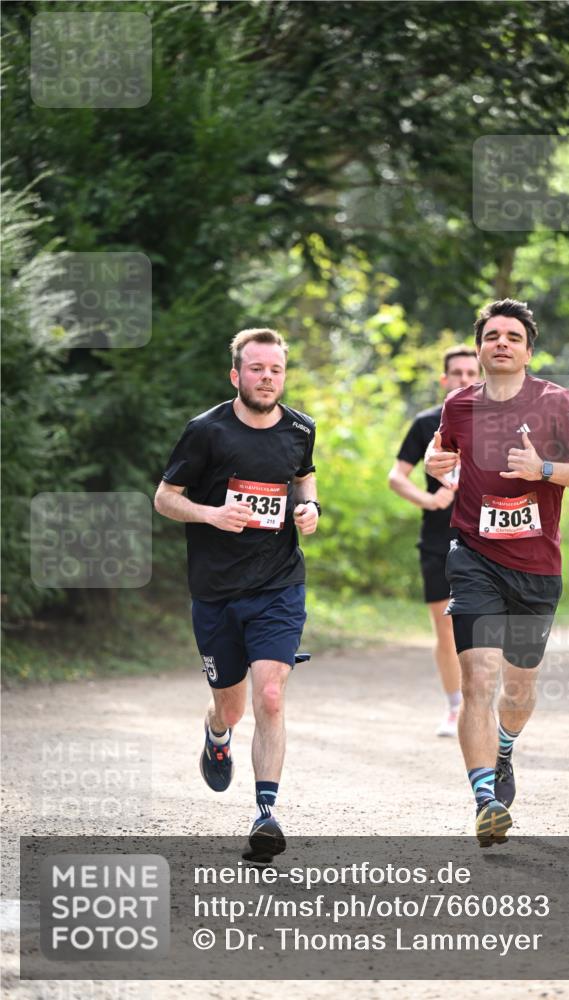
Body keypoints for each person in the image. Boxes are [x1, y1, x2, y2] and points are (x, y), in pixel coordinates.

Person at [425, 298, 569, 847]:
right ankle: (484, 798)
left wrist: (545, 469)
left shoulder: (557, 402)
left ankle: (504, 748)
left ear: (529, 350)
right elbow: (444, 456)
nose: (501, 343)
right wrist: (439, 464)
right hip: (473, 555)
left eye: (512, 336)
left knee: (519, 688)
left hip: (536, 568)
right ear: (480, 347)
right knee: (478, 679)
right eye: (492, 336)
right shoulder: (458, 407)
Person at [154, 327, 319, 862]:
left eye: (275, 370)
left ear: (283, 375)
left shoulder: (300, 428)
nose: (266, 378)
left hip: (278, 583)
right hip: (217, 591)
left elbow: (304, 475)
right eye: (256, 369)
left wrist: (310, 507)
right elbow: (165, 498)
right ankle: (216, 732)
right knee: (233, 703)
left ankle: (266, 814)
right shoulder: (205, 431)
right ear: (236, 374)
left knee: (271, 694)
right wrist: (211, 514)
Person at [388, 346, 480, 736]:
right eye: (455, 373)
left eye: (469, 373)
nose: (462, 379)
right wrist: (428, 499)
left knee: (483, 629)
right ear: (444, 380)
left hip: (484, 539)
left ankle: (481, 705)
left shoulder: (497, 423)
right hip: (437, 539)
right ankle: (455, 707)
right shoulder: (427, 423)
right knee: (445, 629)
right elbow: (396, 476)